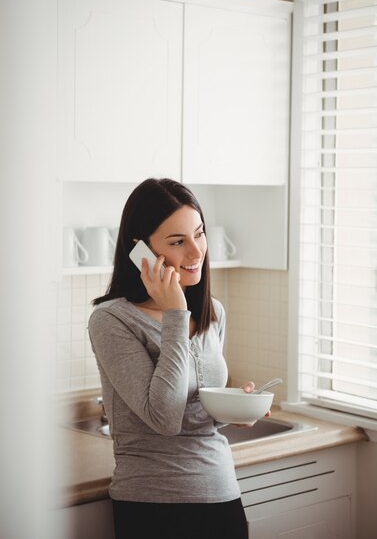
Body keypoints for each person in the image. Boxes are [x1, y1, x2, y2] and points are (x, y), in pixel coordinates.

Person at [88, 178, 261, 539]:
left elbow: (195, 415)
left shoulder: (213, 311)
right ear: (141, 251)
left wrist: (236, 409)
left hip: (222, 494)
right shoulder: (112, 321)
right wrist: (175, 317)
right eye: (178, 241)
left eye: (199, 234)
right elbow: (165, 419)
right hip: (153, 507)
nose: (197, 252)